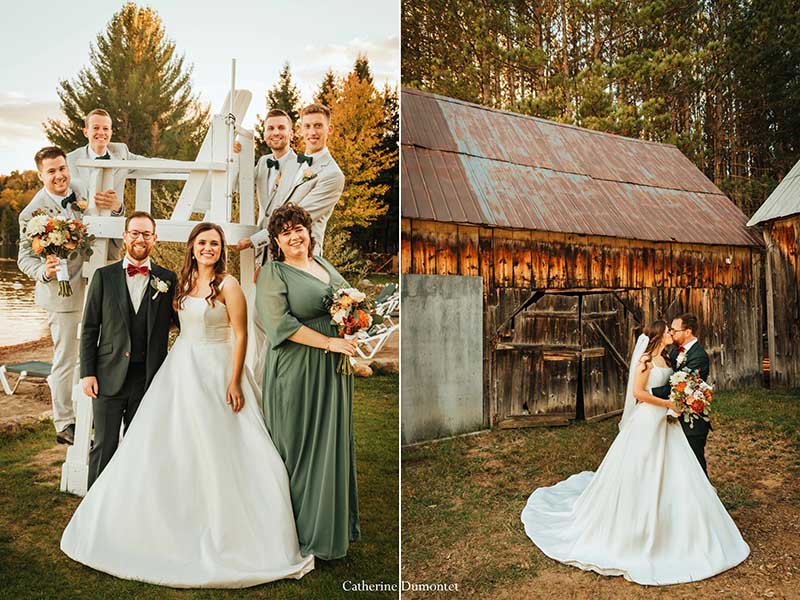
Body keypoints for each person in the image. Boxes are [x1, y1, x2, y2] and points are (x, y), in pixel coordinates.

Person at [62, 222, 314, 587]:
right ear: (192, 248)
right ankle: (142, 518)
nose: (207, 248)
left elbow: (241, 334)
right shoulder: (178, 284)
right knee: (162, 445)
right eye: (202, 243)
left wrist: (233, 379)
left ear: (220, 249)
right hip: (180, 369)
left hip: (217, 369)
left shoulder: (229, 286)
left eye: (214, 243)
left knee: (220, 447)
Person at [520, 320, 750, 586]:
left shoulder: (667, 358)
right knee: (642, 468)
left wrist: (681, 398)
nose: (669, 334)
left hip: (666, 422)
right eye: (666, 332)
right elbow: (638, 393)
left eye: (671, 331)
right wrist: (667, 402)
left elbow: (680, 380)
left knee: (674, 468)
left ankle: (677, 523)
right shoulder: (644, 361)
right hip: (647, 421)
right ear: (656, 336)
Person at [256, 203, 360, 560]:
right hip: (297, 369)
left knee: (330, 442)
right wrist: (330, 341)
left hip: (332, 371)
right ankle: (295, 531)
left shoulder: (323, 265)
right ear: (277, 241)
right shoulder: (274, 273)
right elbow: (278, 325)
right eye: (285, 232)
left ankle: (330, 527)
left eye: (298, 228)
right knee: (297, 446)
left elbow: (348, 304)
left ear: (308, 231)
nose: (294, 236)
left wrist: (354, 324)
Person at [79, 211, 178, 487]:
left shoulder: (167, 279)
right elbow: (89, 328)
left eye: (146, 234)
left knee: (141, 448)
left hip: (148, 379)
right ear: (125, 236)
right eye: (134, 232)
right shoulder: (103, 276)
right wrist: (87, 373)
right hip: (107, 376)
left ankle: (131, 509)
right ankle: (94, 509)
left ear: (155, 239)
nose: (140, 238)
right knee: (104, 445)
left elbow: (181, 322)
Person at [17, 147, 88, 445]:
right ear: (41, 175)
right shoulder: (31, 213)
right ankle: (64, 422)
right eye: (51, 171)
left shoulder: (80, 191)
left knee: (91, 356)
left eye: (61, 168)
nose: (59, 175)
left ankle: (87, 413)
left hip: (91, 285)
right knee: (66, 359)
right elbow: (24, 258)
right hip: (60, 295)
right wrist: (44, 271)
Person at [651, 313, 711, 474]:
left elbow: (678, 387)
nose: (671, 333)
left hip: (692, 420)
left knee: (695, 464)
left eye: (674, 330)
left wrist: (648, 392)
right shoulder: (674, 353)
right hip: (672, 415)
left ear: (688, 331)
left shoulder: (699, 356)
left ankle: (703, 498)